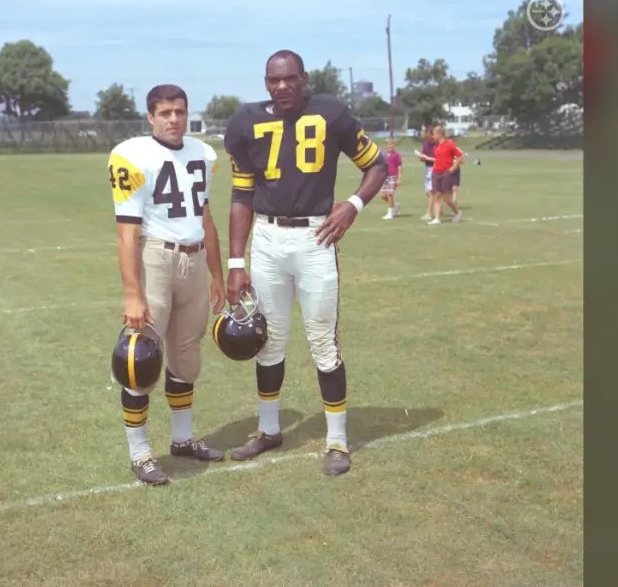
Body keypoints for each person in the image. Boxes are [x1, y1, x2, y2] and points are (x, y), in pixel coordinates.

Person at [223, 49, 387, 477]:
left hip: (316, 236)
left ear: (304, 78)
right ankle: (268, 429)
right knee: (268, 340)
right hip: (267, 239)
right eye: (273, 80)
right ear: (265, 83)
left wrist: (352, 205)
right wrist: (235, 261)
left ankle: (336, 440)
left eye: (289, 78)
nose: (282, 86)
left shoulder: (330, 112)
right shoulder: (245, 122)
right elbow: (241, 195)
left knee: (323, 342)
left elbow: (377, 165)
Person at [108, 83, 227, 486]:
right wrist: (132, 294)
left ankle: (182, 438)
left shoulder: (204, 153)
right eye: (165, 113)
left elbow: (205, 218)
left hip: (195, 260)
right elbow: (127, 234)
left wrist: (217, 274)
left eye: (180, 111)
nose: (174, 119)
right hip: (156, 258)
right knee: (140, 361)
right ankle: (140, 452)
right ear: (150, 117)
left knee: (186, 359)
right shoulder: (132, 155)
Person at [427, 126, 463, 225]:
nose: (433, 136)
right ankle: (437, 218)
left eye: (434, 134)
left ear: (439, 134)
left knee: (446, 197)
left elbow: (459, 156)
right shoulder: (435, 146)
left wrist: (453, 168)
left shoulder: (449, 144)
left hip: (446, 173)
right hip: (436, 173)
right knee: (436, 195)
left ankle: (457, 212)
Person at [415, 127, 437, 220]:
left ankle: (429, 214)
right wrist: (422, 157)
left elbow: (440, 159)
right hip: (428, 169)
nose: (426, 137)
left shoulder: (437, 144)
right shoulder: (425, 144)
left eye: (428, 135)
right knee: (428, 192)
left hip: (436, 168)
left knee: (431, 192)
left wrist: (429, 158)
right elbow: (422, 157)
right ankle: (438, 209)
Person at [379, 138, 403, 219]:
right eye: (388, 145)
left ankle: (390, 214)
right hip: (385, 177)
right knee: (383, 195)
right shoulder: (384, 155)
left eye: (391, 144)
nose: (389, 146)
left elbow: (399, 166)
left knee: (390, 194)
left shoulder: (396, 155)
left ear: (394, 145)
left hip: (393, 176)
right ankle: (394, 205)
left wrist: (399, 178)